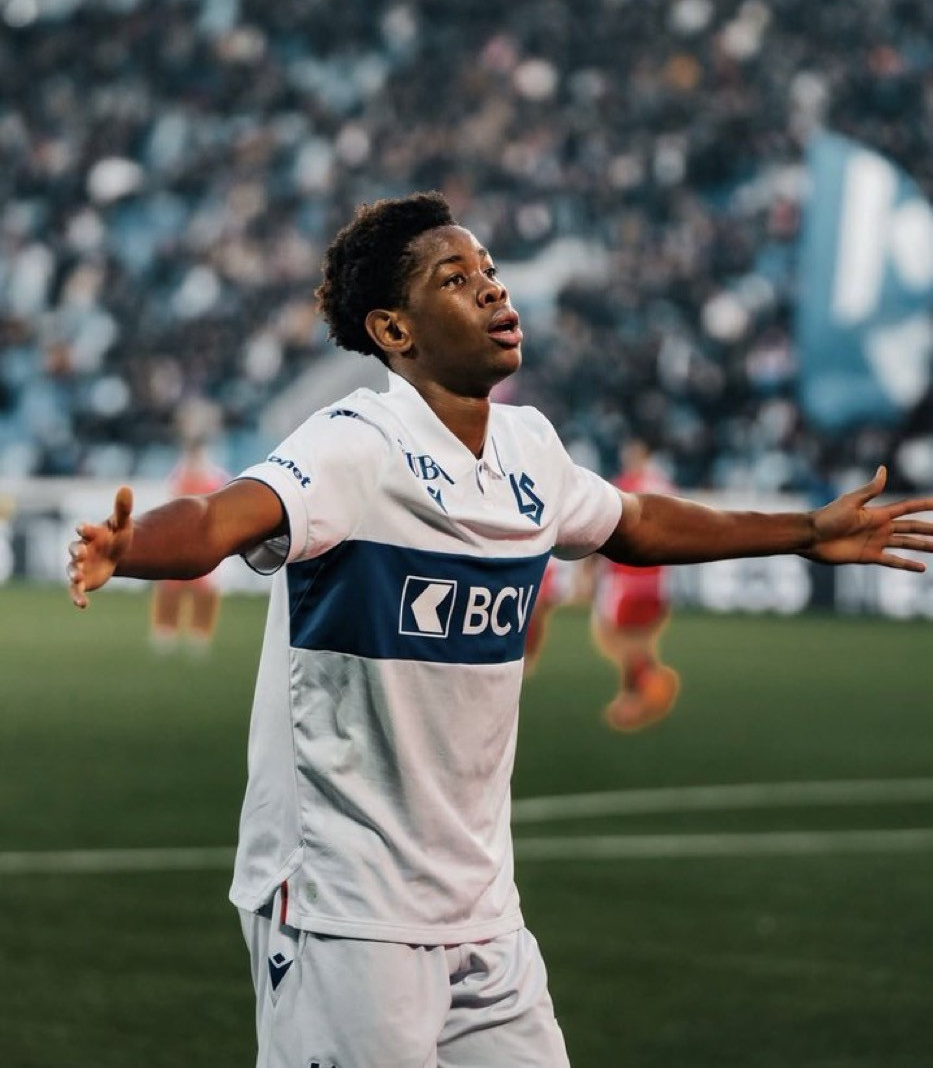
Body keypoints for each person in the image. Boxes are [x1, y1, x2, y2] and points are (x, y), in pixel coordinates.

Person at [66, 191, 933, 1068]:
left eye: (488, 269)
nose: (490, 287)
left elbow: (634, 522)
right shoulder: (354, 445)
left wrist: (804, 530)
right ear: (394, 330)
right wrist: (130, 547)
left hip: (482, 907)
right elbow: (220, 518)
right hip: (345, 903)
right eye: (454, 278)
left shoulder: (530, 448)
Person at [591, 438, 680, 731]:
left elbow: (605, 527)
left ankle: (644, 692)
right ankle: (643, 690)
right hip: (655, 580)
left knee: (614, 638)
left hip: (625, 578)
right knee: (641, 639)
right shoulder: (664, 486)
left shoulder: (622, 485)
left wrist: (591, 568)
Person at [149, 429, 230, 654]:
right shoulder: (180, 474)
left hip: (203, 541)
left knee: (203, 587)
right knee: (171, 585)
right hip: (180, 538)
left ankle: (199, 633)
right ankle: (166, 629)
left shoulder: (213, 476)